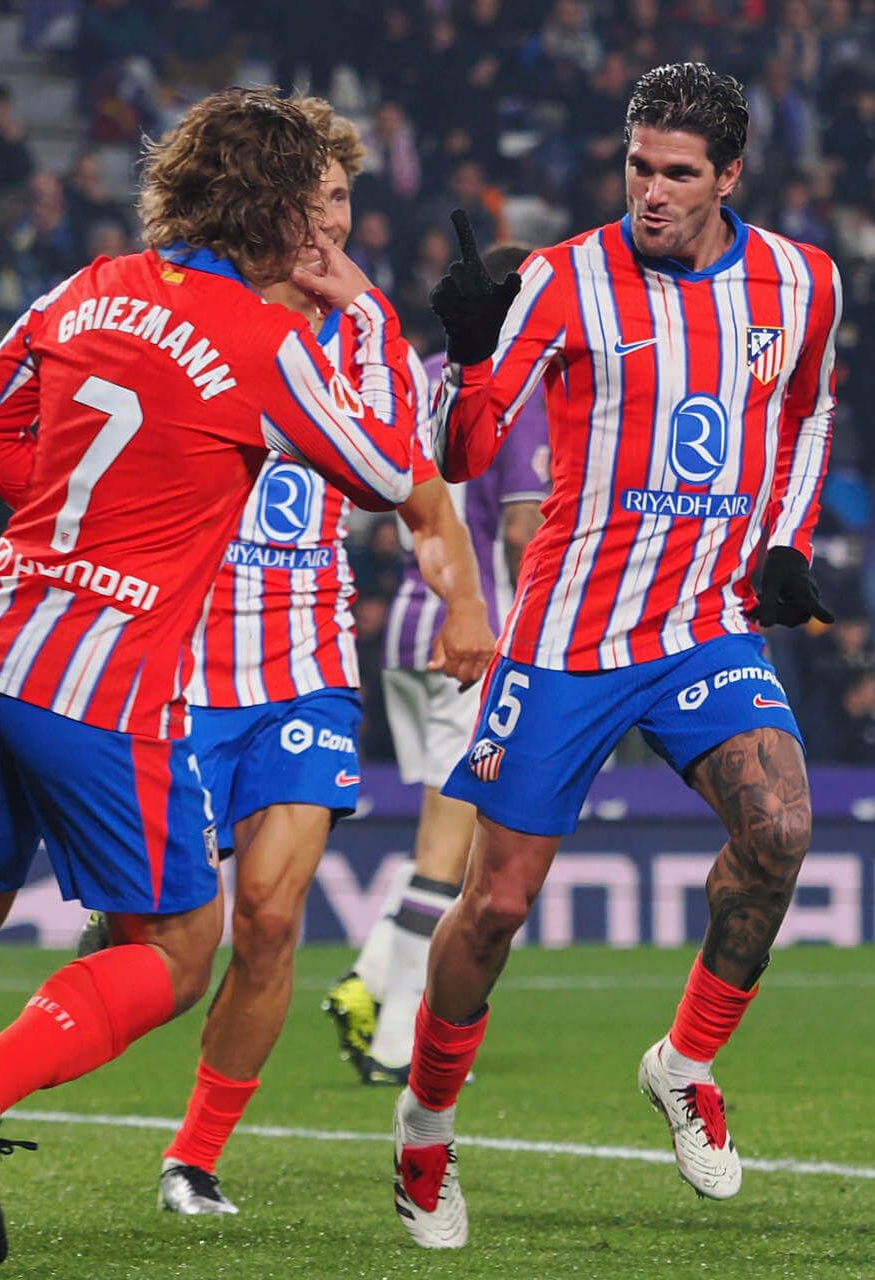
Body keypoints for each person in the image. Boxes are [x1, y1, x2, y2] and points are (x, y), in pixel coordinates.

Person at [0, 89, 420, 1270]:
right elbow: (385, 472)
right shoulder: (265, 340)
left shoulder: (86, 286)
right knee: (180, 946)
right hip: (104, 681)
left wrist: (78, 527)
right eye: (307, 205)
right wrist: (364, 311)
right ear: (272, 211)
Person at [393, 62, 841, 1248]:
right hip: (570, 636)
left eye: (678, 173)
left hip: (703, 623)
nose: (651, 190)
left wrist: (787, 538)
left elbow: (808, 410)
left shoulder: (803, 280)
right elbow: (461, 450)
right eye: (639, 165)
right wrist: (471, 350)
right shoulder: (564, 279)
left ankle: (684, 1061)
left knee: (781, 828)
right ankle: (425, 1127)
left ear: (730, 174)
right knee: (496, 902)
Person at [88, 100, 494, 1219]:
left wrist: (463, 597)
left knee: (270, 916)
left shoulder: (362, 336)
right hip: (176, 664)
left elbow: (415, 483)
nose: (329, 224)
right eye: (311, 202)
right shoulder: (195, 316)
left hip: (304, 664)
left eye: (343, 201)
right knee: (160, 938)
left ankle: (195, 1157)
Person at [324, 241, 550, 1089]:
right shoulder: (516, 382)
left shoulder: (419, 377)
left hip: (409, 632)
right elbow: (523, 529)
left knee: (445, 838)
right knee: (454, 851)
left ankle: (371, 977)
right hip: (474, 635)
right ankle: (396, 1038)